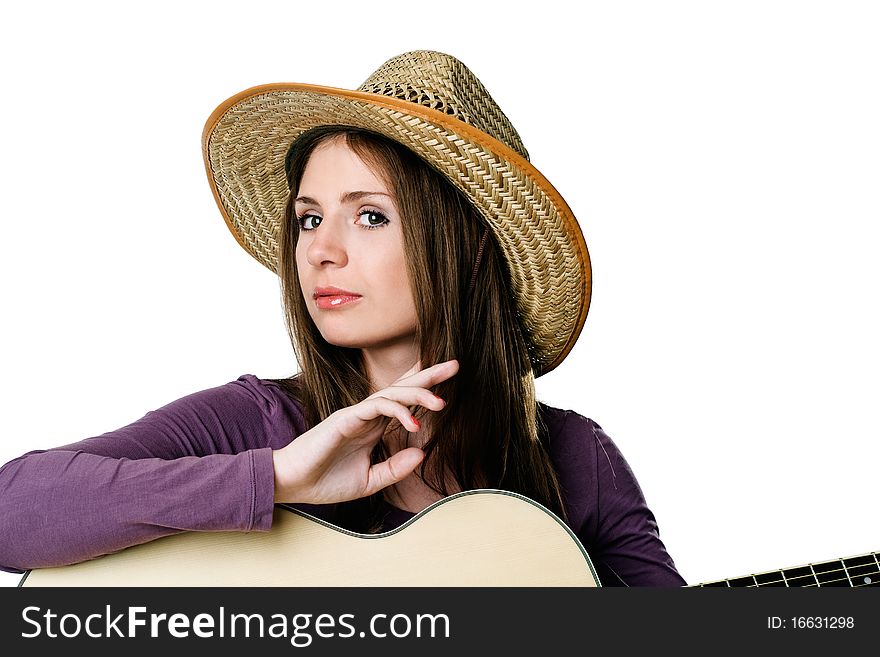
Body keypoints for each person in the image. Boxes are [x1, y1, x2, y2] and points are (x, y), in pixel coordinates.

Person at [0, 50, 686, 586]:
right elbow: (12, 509)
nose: (320, 251)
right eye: (308, 218)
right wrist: (275, 478)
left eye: (368, 215)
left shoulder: (573, 459)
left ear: (465, 245)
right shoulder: (261, 424)